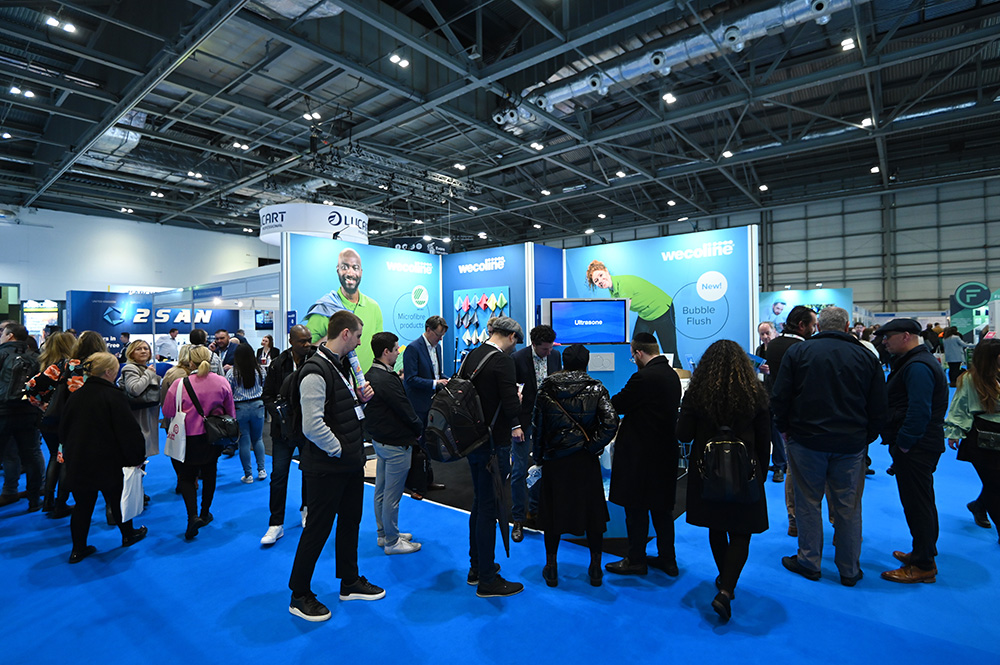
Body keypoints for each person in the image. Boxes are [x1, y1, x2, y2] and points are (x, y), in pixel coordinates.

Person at [773, 307, 887, 587]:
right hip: (850, 444)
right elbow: (878, 405)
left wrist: (786, 430)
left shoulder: (799, 353)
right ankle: (849, 569)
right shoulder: (866, 356)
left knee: (808, 502)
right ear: (848, 326)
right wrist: (866, 436)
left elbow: (780, 396)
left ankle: (809, 561)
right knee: (848, 506)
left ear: (818, 326)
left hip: (807, 441)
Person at [288, 311, 383, 622]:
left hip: (349, 464)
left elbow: (343, 411)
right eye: (357, 336)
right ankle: (299, 593)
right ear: (345, 334)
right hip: (328, 466)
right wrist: (339, 450)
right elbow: (311, 424)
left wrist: (361, 398)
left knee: (350, 523)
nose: (358, 342)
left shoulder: (342, 365)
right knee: (318, 528)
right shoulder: (316, 370)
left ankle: (350, 580)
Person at [676, 339, 771, 622]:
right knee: (742, 531)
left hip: (708, 475)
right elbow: (765, 441)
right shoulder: (756, 392)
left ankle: (723, 579)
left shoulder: (698, 394)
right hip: (747, 474)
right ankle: (726, 589)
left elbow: (683, 435)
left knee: (716, 527)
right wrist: (762, 475)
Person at [531, 344, 617, 588]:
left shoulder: (546, 388)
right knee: (592, 514)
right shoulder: (596, 388)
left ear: (563, 362)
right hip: (584, 460)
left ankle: (551, 567)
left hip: (555, 460)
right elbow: (611, 423)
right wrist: (592, 447)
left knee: (553, 514)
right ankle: (596, 569)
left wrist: (538, 457)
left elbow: (537, 427)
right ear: (586, 362)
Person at [876, 318, 948, 584]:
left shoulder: (917, 366)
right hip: (918, 445)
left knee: (918, 505)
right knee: (920, 502)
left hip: (916, 446)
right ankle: (922, 551)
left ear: (905, 336)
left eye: (888, 336)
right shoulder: (916, 362)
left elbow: (919, 411)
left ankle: (923, 565)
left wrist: (904, 444)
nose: (884, 341)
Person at [606, 332, 682, 577]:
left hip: (639, 456)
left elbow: (617, 404)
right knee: (662, 510)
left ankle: (636, 559)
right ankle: (668, 559)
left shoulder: (644, 378)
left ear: (638, 352)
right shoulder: (671, 375)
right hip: (665, 453)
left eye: (632, 356)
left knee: (636, 509)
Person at [459, 315, 525, 598]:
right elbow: (511, 408)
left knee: (478, 504)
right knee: (488, 509)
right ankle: (487, 579)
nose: (514, 347)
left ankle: (477, 566)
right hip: (493, 445)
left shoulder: (471, 355)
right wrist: (518, 402)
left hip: (472, 442)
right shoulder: (502, 362)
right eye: (515, 342)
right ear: (510, 337)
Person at [59, 352, 147, 563]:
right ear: (109, 372)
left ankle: (78, 549)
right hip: (108, 460)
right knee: (116, 499)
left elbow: (63, 429)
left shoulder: (77, 395)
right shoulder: (114, 395)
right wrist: (137, 457)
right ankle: (128, 534)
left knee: (82, 506)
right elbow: (128, 431)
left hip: (79, 459)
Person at [162, 345, 235, 540]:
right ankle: (205, 513)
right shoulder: (221, 382)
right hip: (212, 437)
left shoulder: (179, 384)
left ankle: (192, 516)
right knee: (210, 473)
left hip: (186, 437)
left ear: (190, 362)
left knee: (186, 477)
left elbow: (168, 412)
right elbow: (231, 413)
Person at [365, 331, 423, 555]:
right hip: (396, 443)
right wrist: (419, 429)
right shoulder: (386, 380)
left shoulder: (373, 374)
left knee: (381, 491)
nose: (398, 351)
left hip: (381, 441)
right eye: (396, 348)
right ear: (386, 351)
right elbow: (404, 409)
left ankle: (384, 534)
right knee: (392, 495)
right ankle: (392, 541)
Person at [260, 325, 314, 546]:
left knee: (310, 472)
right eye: (302, 341)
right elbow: (267, 396)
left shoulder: (316, 362)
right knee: (279, 476)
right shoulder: (277, 365)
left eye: (309, 340)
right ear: (291, 341)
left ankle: (307, 509)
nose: (307, 344)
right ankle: (276, 524)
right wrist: (280, 412)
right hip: (282, 431)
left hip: (308, 429)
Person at [764, 305, 817, 528]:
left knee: (792, 471)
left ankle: (793, 518)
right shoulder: (806, 349)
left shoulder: (773, 346)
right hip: (805, 418)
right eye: (813, 325)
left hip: (779, 408)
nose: (815, 329)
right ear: (802, 325)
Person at [945, 339, 1000, 541]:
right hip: (981, 436)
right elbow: (960, 407)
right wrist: (954, 432)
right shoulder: (969, 379)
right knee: (994, 484)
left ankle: (978, 505)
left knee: (994, 481)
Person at [511, 324, 562, 541]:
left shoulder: (555, 356)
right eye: (544, 349)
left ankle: (536, 510)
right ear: (534, 345)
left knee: (544, 467)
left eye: (550, 349)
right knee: (520, 470)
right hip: (523, 421)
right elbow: (511, 395)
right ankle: (518, 519)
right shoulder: (518, 359)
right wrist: (515, 425)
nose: (548, 353)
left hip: (548, 422)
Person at [302, 247, 384, 371]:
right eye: (345, 267)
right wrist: (333, 337)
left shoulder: (373, 307)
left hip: (367, 384)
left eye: (355, 268)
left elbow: (379, 350)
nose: (350, 273)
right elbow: (306, 352)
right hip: (335, 381)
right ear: (338, 270)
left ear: (361, 272)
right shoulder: (324, 308)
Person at [585, 260, 678, 364]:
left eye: (601, 275)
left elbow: (621, 314)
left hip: (662, 309)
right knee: (636, 348)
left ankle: (680, 378)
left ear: (606, 271)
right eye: (596, 281)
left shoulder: (623, 283)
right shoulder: (612, 292)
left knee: (670, 351)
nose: (600, 281)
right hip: (645, 314)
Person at [25, 331, 77, 517]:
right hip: (64, 421)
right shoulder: (66, 366)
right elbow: (31, 385)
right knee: (65, 460)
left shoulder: (42, 363)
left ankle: (48, 501)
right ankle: (60, 503)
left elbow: (30, 388)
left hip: (46, 420)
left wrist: (41, 405)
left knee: (56, 456)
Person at [402, 315, 450, 498]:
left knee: (428, 445)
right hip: (417, 405)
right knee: (417, 447)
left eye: (442, 336)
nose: (440, 339)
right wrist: (435, 383)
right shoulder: (413, 349)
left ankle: (427, 481)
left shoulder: (435, 348)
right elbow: (411, 379)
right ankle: (415, 486)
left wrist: (446, 380)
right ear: (428, 330)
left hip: (431, 404)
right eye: (438, 334)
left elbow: (435, 373)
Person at [0, 323, 44, 512]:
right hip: (28, 413)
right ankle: (35, 498)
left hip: (2, 412)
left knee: (8, 455)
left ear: (10, 336)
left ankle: (10, 490)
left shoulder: (1, 355)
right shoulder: (35, 358)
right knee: (32, 454)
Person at [226, 343, 267, 484]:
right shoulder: (260, 370)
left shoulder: (232, 373)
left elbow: (228, 392)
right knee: (258, 439)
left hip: (240, 408)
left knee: (244, 441)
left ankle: (248, 475)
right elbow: (264, 386)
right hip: (258, 406)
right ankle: (262, 470)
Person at [119, 340, 162, 458]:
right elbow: (134, 389)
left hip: (145, 415)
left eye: (146, 348)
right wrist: (148, 374)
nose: (143, 351)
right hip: (136, 417)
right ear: (131, 353)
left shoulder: (145, 368)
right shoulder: (130, 369)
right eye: (138, 349)